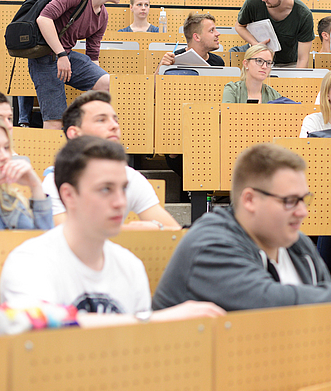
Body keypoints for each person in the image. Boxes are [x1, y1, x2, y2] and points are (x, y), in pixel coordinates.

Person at [1, 136, 224, 324]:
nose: (120, 202)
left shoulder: (131, 267)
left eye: (123, 189)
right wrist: (151, 321)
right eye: (106, 189)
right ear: (68, 195)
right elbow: (39, 329)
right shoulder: (29, 262)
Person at [152, 142, 331, 311]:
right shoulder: (209, 243)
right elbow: (263, 301)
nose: (303, 212)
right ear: (250, 200)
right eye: (289, 201)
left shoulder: (297, 244)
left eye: (304, 199)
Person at [42, 91, 180, 230]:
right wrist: (133, 230)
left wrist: (158, 228)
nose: (115, 126)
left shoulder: (130, 177)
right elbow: (67, 234)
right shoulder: (55, 181)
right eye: (101, 120)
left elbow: (176, 233)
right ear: (75, 133)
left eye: (115, 120)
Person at [31, 0, 126, 130]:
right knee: (55, 122)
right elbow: (43, 19)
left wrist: (94, 84)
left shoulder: (103, 15)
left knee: (109, 84)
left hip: (66, 57)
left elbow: (93, 56)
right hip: (45, 58)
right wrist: (60, 55)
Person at [235, 0, 315, 68]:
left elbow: (303, 58)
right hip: (259, 60)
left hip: (288, 64)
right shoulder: (253, 2)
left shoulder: (303, 15)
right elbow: (239, 26)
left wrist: (296, 79)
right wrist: (255, 44)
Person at [0, 121, 52, 229]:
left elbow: (43, 240)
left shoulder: (8, 200)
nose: (4, 156)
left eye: (6, 147)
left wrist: (35, 186)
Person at [159, 13, 224, 67]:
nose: (218, 33)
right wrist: (162, 66)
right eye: (211, 30)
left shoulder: (218, 62)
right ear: (196, 37)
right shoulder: (173, 60)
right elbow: (156, 82)